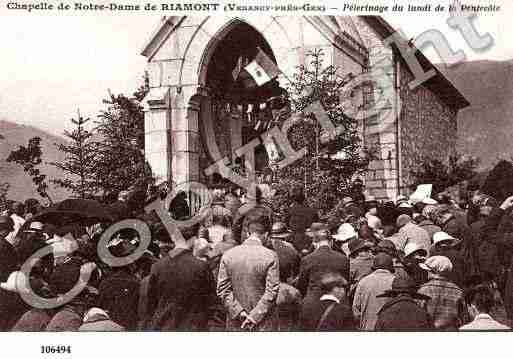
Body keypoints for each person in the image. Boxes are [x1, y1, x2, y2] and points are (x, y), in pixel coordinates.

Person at [145, 223, 216, 330]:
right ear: (193, 240)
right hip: (193, 327)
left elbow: (151, 304)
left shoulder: (157, 266)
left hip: (164, 326)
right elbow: (210, 301)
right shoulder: (201, 266)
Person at [217, 216, 279, 331]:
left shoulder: (228, 255)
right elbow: (272, 291)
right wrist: (254, 316)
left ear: (247, 233)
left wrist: (239, 312)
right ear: (266, 235)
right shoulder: (271, 255)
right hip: (263, 323)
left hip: (236, 322)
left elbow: (222, 290)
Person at [297, 223, 349, 307]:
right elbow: (346, 284)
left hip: (313, 304)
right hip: (337, 304)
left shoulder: (307, 260)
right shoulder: (343, 259)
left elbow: (301, 286)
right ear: (331, 242)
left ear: (314, 243)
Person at [417, 256, 468, 330]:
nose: (427, 273)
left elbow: (419, 317)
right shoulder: (458, 292)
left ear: (433, 271)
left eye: (428, 270)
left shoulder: (423, 290)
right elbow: (464, 319)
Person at [352, 253, 395, 330]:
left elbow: (356, 311)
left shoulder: (363, 282)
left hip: (368, 328)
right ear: (390, 267)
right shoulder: (395, 282)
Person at [285, 186, 319, 253]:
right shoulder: (312, 211)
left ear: (293, 199)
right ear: (304, 199)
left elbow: (286, 224)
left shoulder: (290, 211)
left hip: (293, 240)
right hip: (308, 241)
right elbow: (316, 226)